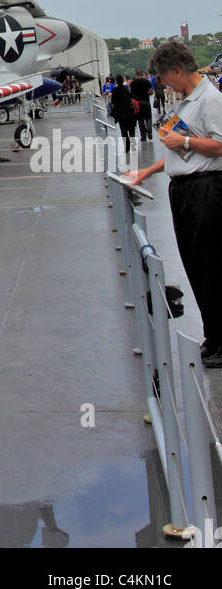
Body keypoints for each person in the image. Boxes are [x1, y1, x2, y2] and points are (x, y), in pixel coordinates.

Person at [127, 39, 222, 368]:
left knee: (211, 266)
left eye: (165, 78)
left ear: (178, 70)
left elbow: (219, 145)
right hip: (186, 189)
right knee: (196, 265)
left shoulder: (210, 99)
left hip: (206, 190)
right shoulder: (187, 101)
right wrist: (149, 170)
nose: (164, 84)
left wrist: (182, 140)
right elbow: (179, 153)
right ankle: (215, 336)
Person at [109, 73, 137, 155]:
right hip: (129, 111)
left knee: (123, 130)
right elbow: (132, 97)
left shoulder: (114, 90)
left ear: (116, 81)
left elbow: (113, 101)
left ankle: (126, 146)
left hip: (120, 113)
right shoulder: (127, 89)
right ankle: (133, 144)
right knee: (131, 128)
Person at [129, 68, 154, 141]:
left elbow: (131, 93)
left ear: (136, 74)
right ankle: (149, 129)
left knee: (140, 120)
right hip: (146, 102)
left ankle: (143, 136)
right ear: (142, 74)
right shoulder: (147, 82)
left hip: (137, 104)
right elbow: (151, 92)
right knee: (148, 117)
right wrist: (148, 93)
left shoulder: (133, 83)